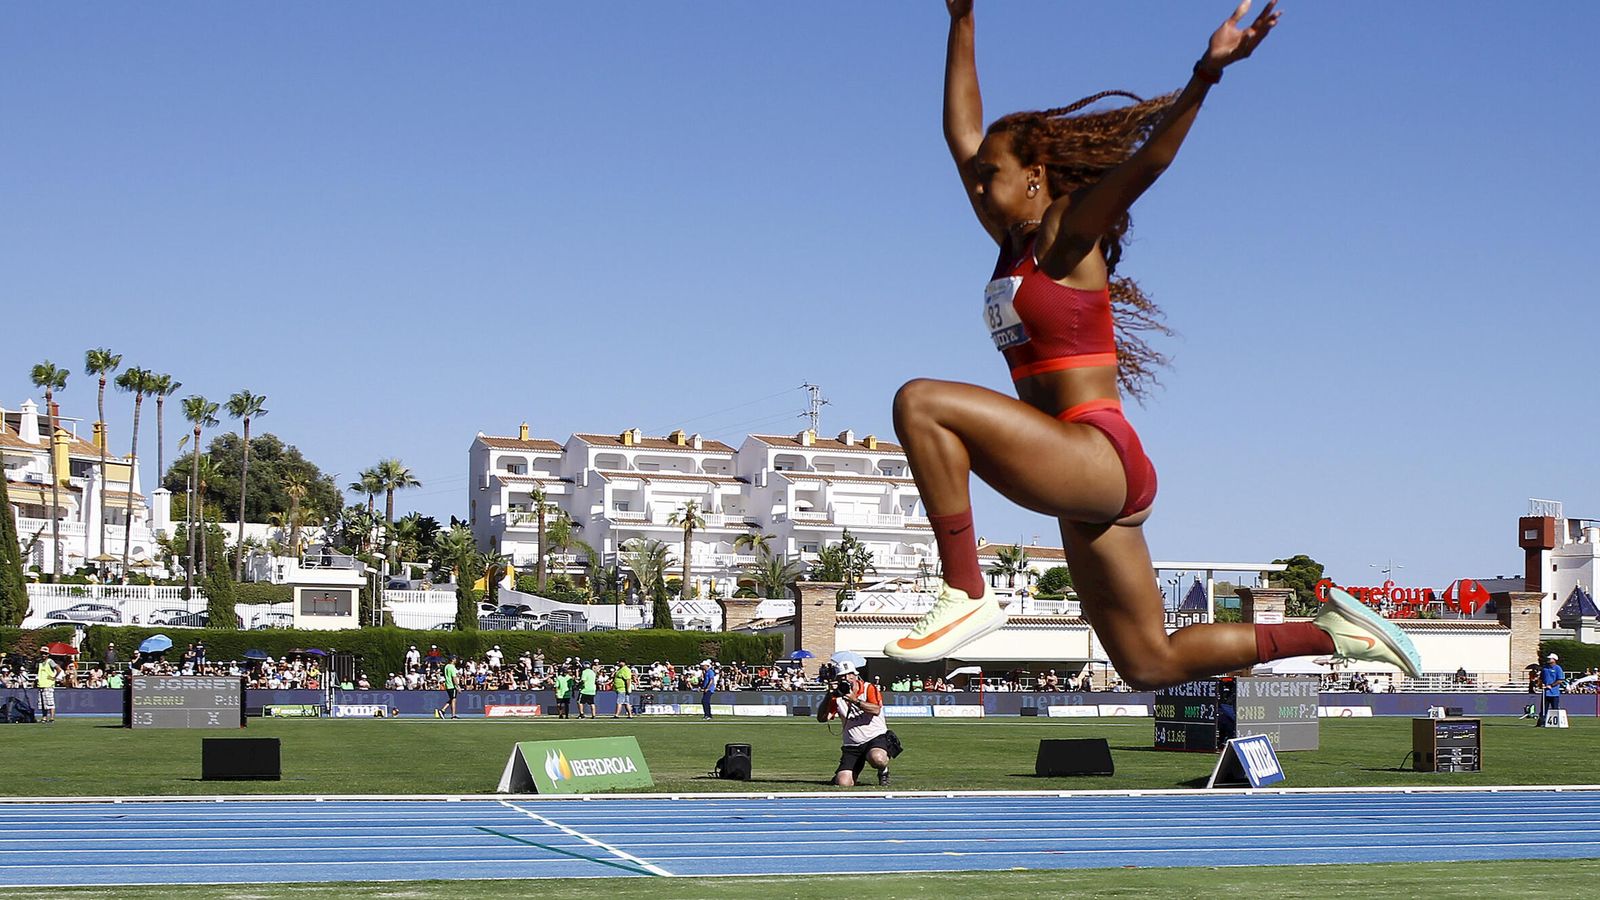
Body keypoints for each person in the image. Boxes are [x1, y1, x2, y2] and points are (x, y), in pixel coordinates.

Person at [882, 0, 1420, 688]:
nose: (978, 185)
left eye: (992, 174)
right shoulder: (1010, 243)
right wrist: (962, 21)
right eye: (978, 176)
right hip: (1077, 474)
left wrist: (1206, 75)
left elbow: (1149, 164)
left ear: (1036, 176)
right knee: (1147, 662)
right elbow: (960, 134)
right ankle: (1334, 633)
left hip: (1096, 454)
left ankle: (966, 591)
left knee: (921, 403)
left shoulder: (1065, 235)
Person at [817, 659, 893, 787]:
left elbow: (876, 710)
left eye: (849, 675)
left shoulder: (869, 688)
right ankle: (845, 774)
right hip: (852, 744)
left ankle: (883, 770)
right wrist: (828, 696)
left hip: (875, 737)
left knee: (877, 758)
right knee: (843, 783)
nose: (847, 678)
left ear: (855, 675)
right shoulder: (837, 696)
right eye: (842, 676)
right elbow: (822, 718)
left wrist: (855, 700)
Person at [35, 655, 63, 724]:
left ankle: (52, 718)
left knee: (50, 703)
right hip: (41, 685)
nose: (43, 655)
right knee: (42, 704)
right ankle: (44, 717)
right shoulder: (40, 662)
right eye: (42, 653)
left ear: (47, 654)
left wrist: (54, 677)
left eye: (45, 653)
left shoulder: (50, 661)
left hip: (48, 685)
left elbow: (59, 669)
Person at [1540, 653, 1564, 726]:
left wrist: (1551, 685)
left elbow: (1560, 680)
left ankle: (1555, 723)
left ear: (1554, 660)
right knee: (1544, 709)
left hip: (1554, 693)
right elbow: (1541, 678)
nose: (1548, 660)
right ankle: (1542, 722)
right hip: (1545, 693)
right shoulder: (1545, 668)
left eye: (1550, 659)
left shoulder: (1558, 668)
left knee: (1554, 708)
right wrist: (1541, 684)